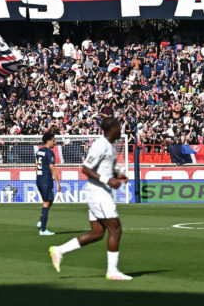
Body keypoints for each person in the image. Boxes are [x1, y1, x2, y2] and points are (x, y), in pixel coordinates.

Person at [50, 116, 132, 281]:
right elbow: (86, 169)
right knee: (115, 229)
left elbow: (104, 168)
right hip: (99, 193)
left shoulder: (108, 146)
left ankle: (59, 250)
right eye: (118, 126)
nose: (120, 129)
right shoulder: (100, 145)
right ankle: (112, 271)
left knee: (97, 233)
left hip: (99, 192)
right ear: (112, 129)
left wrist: (117, 174)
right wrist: (108, 180)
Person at [36, 132, 59, 236]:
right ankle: (43, 229)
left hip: (39, 179)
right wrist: (58, 182)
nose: (54, 143)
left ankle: (41, 220)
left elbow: (36, 166)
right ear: (49, 140)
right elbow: (52, 168)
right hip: (46, 180)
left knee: (50, 200)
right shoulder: (49, 153)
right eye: (53, 141)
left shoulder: (39, 151)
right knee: (47, 202)